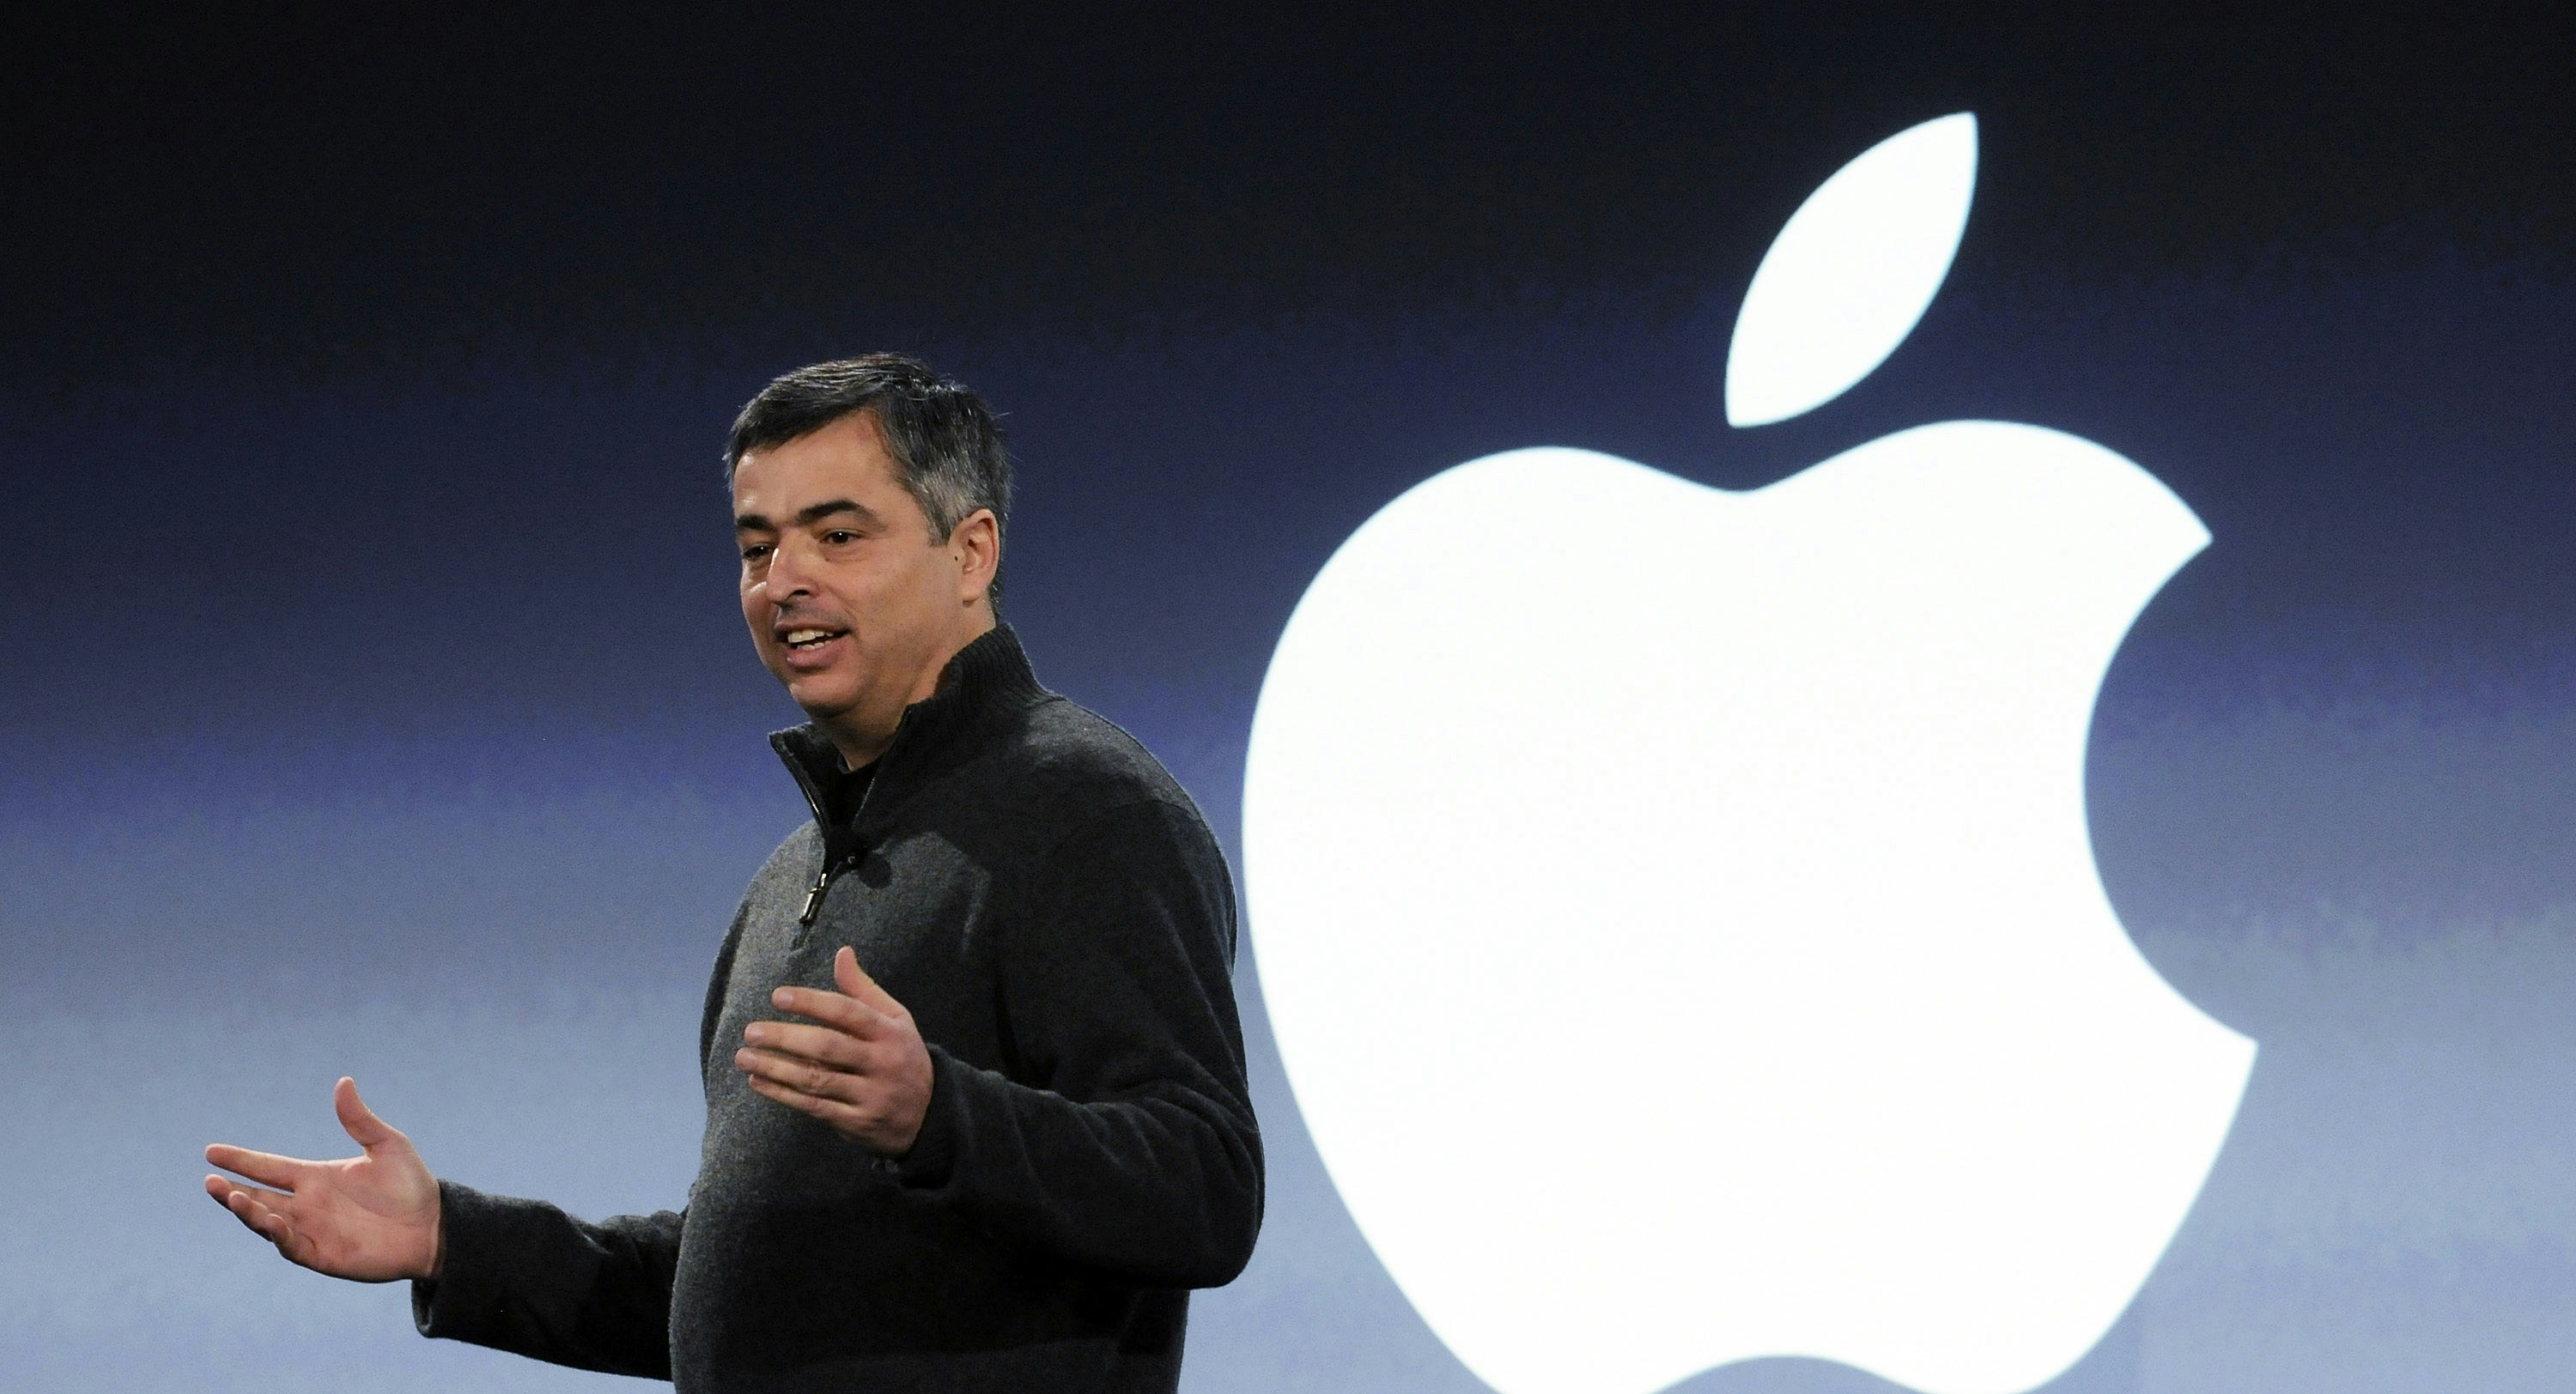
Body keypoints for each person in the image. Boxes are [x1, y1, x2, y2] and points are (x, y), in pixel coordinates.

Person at [203, 354, 1265, 1392]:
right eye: (758, 547)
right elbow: (749, 1294)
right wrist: (454, 1243)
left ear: (971, 550)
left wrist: (943, 1115)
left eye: (839, 534)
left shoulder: (1086, 809)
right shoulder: (791, 880)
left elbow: (1206, 1187)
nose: (785, 580)